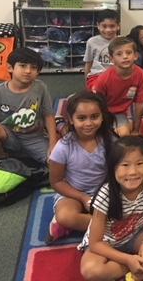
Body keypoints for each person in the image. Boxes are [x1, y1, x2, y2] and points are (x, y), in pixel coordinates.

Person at [79, 136, 143, 281]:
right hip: (105, 244)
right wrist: (128, 260)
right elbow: (95, 243)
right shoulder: (105, 194)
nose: (133, 172)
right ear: (113, 168)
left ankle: (133, 276)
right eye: (125, 165)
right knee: (90, 270)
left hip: (135, 236)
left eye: (139, 163)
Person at [47, 91, 116, 243]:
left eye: (94, 117)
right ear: (71, 120)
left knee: (133, 206)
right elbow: (56, 182)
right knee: (65, 216)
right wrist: (83, 197)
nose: (89, 123)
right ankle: (112, 227)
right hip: (74, 194)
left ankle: (82, 225)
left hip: (105, 191)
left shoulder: (111, 141)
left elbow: (118, 172)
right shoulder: (63, 147)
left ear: (102, 116)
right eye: (81, 118)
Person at [0, 47, 57, 167]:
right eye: (23, 66)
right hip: (8, 138)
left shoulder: (40, 87)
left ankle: (24, 157)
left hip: (34, 138)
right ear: (10, 67)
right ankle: (2, 158)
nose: (28, 71)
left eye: (33, 68)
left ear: (38, 72)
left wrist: (53, 144)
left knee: (56, 163)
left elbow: (49, 116)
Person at [91, 37, 143, 137]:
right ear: (112, 59)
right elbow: (96, 103)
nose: (125, 57)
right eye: (119, 54)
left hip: (120, 113)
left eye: (128, 53)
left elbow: (140, 104)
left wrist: (136, 130)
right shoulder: (104, 78)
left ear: (135, 56)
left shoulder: (141, 75)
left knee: (124, 135)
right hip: (103, 111)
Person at [84, 9, 119, 90]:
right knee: (97, 92)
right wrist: (86, 82)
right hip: (97, 76)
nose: (108, 30)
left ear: (118, 26)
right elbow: (88, 63)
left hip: (117, 76)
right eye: (104, 26)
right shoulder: (92, 41)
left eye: (112, 26)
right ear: (98, 26)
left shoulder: (122, 42)